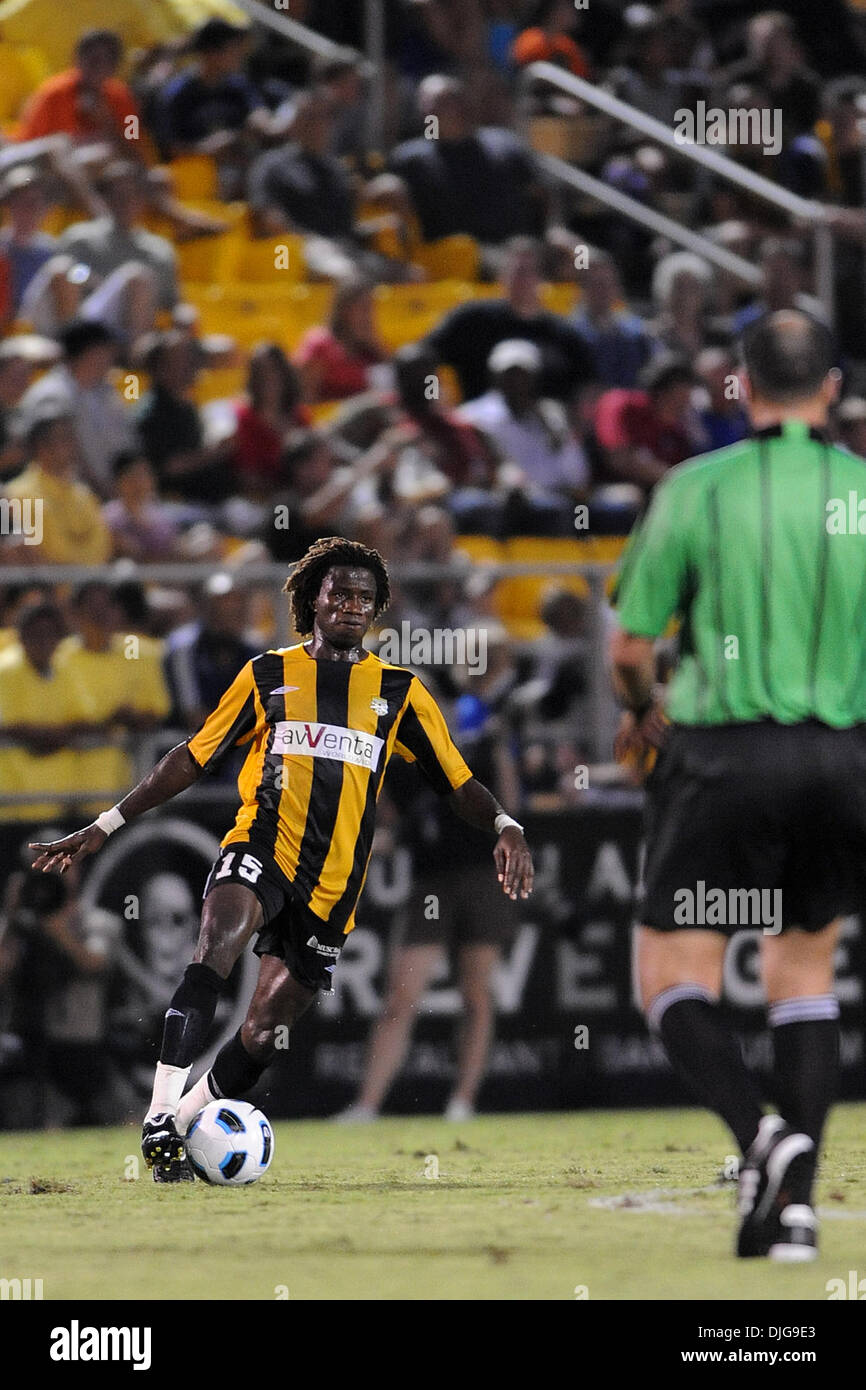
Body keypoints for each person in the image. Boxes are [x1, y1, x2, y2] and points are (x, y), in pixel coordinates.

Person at [29, 535, 535, 1182]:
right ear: (312, 600)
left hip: (334, 884)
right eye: (339, 592)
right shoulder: (268, 673)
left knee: (266, 1028)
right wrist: (108, 821)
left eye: (364, 596)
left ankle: (181, 1127)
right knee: (216, 942)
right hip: (261, 845)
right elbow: (193, 755)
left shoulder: (401, 693)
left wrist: (504, 821)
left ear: (376, 608)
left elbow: (457, 782)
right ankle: (158, 1112)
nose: (352, 604)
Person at [610, 309, 865, 1261]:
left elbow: (630, 650)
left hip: (722, 755)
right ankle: (792, 1211)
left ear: (742, 386)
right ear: (831, 388)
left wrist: (644, 707)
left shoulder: (695, 488)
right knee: (803, 975)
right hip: (843, 758)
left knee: (672, 978)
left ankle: (762, 1138)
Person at [426, 237, 596, 403]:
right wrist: (431, 397)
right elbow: (423, 356)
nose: (521, 280)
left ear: (542, 278)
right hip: (482, 422)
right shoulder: (472, 320)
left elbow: (589, 385)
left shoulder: (562, 334)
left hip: (545, 425)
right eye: (515, 271)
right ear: (502, 276)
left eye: (528, 272)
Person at [388, 76, 546, 248]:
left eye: (447, 102)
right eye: (427, 104)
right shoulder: (409, 159)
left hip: (514, 249)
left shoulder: (504, 143)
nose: (431, 109)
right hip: (447, 256)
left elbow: (538, 195)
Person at [16, 318, 135, 498]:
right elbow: (60, 455)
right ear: (89, 352)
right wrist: (104, 494)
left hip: (113, 498)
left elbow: (126, 447)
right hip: (62, 498)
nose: (113, 356)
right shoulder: (51, 395)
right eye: (107, 349)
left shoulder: (106, 391)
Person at [1, 411, 111, 566]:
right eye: (63, 438)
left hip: (93, 583)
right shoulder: (18, 494)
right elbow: (38, 555)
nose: (71, 445)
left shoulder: (85, 495)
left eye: (70, 438)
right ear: (40, 446)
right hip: (48, 587)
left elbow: (102, 546)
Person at [592, 353, 700, 494]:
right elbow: (619, 460)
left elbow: (682, 466)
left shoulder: (676, 429)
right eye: (681, 398)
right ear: (662, 392)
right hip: (605, 488)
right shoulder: (620, 404)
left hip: (657, 490)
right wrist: (680, 482)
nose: (687, 404)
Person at [15, 29, 139, 149]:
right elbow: (31, 141)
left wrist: (107, 122)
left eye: (107, 61)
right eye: (93, 61)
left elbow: (135, 139)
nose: (99, 68)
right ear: (78, 59)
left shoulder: (122, 95)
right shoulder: (52, 94)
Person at [230, 342, 309, 498]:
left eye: (274, 370)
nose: (268, 378)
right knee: (283, 517)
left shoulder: (299, 415)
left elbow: (311, 458)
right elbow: (247, 476)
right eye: (261, 372)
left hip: (302, 496)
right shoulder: (242, 417)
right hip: (260, 499)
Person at [294, 275, 389, 405]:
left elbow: (395, 381)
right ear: (344, 310)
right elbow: (304, 399)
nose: (368, 316)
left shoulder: (370, 349)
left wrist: (376, 346)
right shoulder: (320, 343)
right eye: (363, 308)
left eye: (370, 308)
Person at [571, 251, 657, 389]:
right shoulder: (570, 333)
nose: (602, 291)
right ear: (583, 288)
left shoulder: (637, 332)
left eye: (607, 283)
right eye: (596, 284)